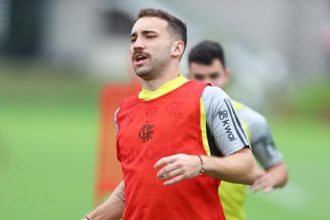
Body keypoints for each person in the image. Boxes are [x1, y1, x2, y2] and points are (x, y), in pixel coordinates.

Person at [82, 9, 257, 220]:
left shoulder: (208, 97)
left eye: (149, 36)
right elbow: (133, 186)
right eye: (133, 38)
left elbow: (247, 168)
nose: (137, 44)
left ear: (177, 48)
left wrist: (200, 164)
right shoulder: (122, 113)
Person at [188, 40, 288, 220]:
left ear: (226, 75)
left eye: (214, 75)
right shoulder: (175, 117)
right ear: (188, 77)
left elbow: (279, 169)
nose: (208, 84)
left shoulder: (252, 120)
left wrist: (270, 178)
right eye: (200, 77)